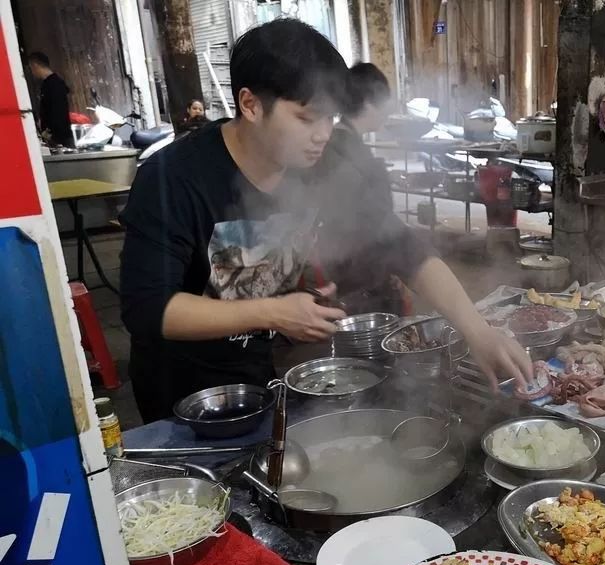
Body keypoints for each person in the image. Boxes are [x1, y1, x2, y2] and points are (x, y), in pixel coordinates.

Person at [120, 19, 531, 423]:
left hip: (263, 376)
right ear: (250, 105)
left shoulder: (324, 163)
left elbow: (405, 250)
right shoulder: (172, 179)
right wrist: (274, 312)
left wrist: (477, 330)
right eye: (306, 118)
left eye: (330, 118)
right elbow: (150, 309)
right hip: (184, 398)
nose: (321, 134)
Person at [312, 63, 407, 314]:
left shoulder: (340, 142)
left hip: (344, 266)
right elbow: (368, 221)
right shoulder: (341, 148)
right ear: (368, 101)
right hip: (355, 273)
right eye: (384, 102)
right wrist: (391, 267)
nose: (387, 111)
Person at [27, 51, 74, 148]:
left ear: (35, 65)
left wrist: (49, 131)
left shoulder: (54, 84)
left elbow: (57, 111)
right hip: (55, 136)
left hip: (60, 137)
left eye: (32, 68)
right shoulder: (47, 84)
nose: (32, 72)